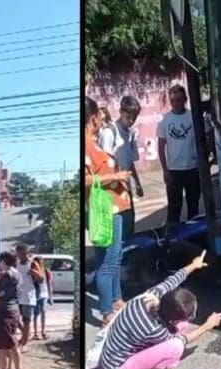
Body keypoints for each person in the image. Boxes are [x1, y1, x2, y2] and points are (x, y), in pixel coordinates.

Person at [100, 251, 221, 369]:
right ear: (172, 319)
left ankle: (140, 368)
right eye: (191, 314)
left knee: (182, 326)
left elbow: (173, 280)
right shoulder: (155, 330)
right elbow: (182, 340)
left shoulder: (150, 296)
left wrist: (194, 265)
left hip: (110, 356)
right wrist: (207, 325)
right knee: (175, 349)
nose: (192, 317)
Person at [85, 95, 132, 326]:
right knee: (108, 262)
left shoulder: (93, 142)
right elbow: (85, 180)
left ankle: (115, 299)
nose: (101, 121)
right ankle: (106, 312)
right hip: (105, 210)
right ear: (92, 118)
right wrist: (116, 175)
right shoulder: (84, 145)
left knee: (116, 256)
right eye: (99, 118)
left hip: (114, 206)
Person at [99, 95, 145, 239]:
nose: (131, 121)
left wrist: (137, 183)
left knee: (129, 227)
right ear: (121, 111)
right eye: (128, 117)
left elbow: (130, 162)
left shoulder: (130, 134)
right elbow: (104, 164)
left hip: (126, 188)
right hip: (112, 190)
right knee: (117, 233)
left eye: (134, 118)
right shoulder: (110, 132)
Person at [157, 85, 201, 225]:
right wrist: (165, 170)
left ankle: (194, 239)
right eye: (173, 100)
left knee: (193, 207)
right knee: (174, 209)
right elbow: (161, 146)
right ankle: (172, 240)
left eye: (179, 99)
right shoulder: (165, 120)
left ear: (185, 100)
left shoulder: (193, 117)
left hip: (192, 169)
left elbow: (203, 139)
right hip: (174, 171)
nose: (176, 103)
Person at [0, 251, 23, 369]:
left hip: (4, 311)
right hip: (14, 309)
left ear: (4, 261)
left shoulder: (7, 275)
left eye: (0, 261)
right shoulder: (18, 274)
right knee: (13, 341)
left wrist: (1, 292)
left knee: (2, 345)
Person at [15, 244, 39, 352]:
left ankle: (25, 343)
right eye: (18, 253)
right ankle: (25, 335)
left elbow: (42, 278)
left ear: (26, 253)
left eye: (21, 253)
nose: (19, 255)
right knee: (15, 318)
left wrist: (34, 272)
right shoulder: (16, 264)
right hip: (18, 295)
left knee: (26, 320)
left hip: (28, 296)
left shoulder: (32, 264)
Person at [33, 255, 53, 340]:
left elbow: (49, 284)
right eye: (38, 262)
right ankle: (36, 332)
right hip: (36, 295)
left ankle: (43, 331)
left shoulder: (46, 271)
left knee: (44, 312)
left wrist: (50, 296)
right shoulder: (33, 272)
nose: (39, 264)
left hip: (44, 294)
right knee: (35, 314)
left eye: (41, 262)